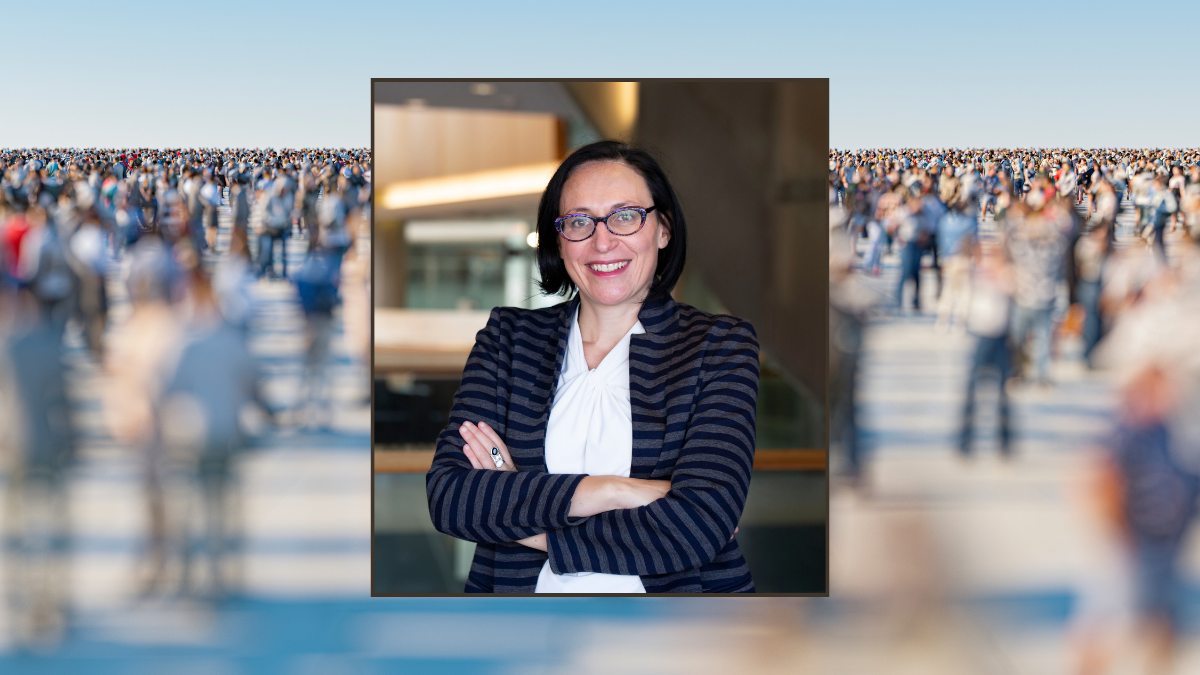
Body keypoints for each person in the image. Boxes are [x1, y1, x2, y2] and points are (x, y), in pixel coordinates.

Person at [426, 141, 759, 593]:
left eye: (625, 216)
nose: (602, 242)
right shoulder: (508, 338)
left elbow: (698, 525)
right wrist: (613, 490)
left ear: (663, 228)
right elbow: (451, 497)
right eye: (579, 222)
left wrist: (519, 512)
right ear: (559, 240)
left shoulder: (720, 346)